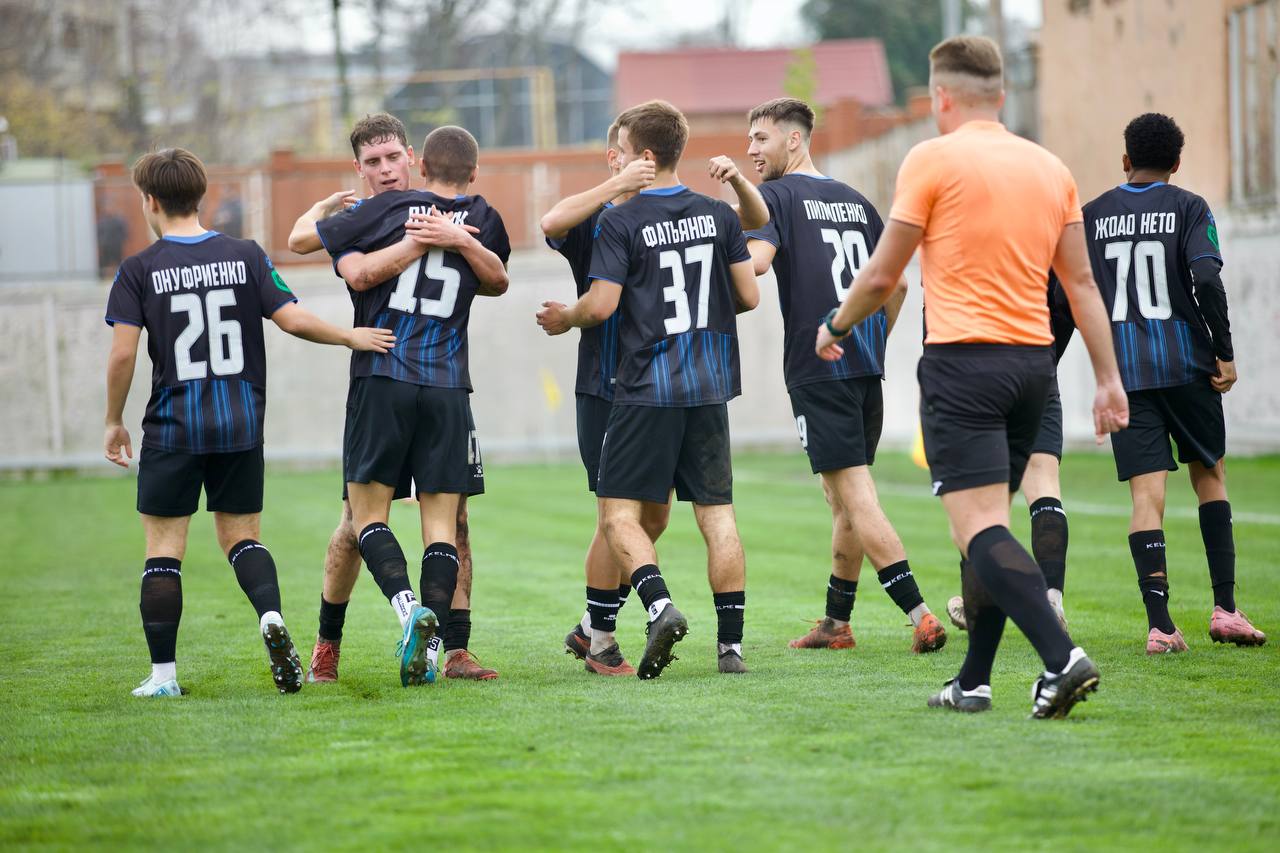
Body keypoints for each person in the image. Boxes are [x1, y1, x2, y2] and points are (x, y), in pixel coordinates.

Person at [815, 36, 1129, 718]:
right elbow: (1081, 284)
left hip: (964, 366)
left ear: (941, 96)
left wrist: (835, 325)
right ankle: (975, 681)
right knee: (986, 528)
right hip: (1034, 368)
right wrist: (1108, 379)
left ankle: (1062, 659)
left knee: (979, 530)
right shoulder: (1050, 167)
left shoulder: (931, 158)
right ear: (1001, 95)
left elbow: (882, 274)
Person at [103, 148, 394, 697]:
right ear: (201, 196)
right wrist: (350, 336)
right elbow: (293, 320)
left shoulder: (138, 269)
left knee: (164, 549)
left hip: (174, 426)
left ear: (151, 201)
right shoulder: (245, 255)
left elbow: (122, 355)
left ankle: (163, 677)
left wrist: (113, 419)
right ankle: (271, 618)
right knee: (242, 538)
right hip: (239, 421)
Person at [537, 100, 761, 677]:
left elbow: (601, 304)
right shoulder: (603, 217)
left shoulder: (635, 221)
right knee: (623, 515)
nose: (615, 161)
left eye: (622, 152)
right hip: (617, 387)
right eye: (611, 157)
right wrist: (616, 185)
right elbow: (551, 222)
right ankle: (603, 637)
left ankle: (615, 619)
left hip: (648, 385)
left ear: (643, 155)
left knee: (640, 517)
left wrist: (567, 317)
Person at [287, 114, 496, 682]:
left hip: (411, 382)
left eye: (392, 158)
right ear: (358, 169)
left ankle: (452, 649)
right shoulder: (369, 215)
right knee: (354, 525)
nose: (384, 170)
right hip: (407, 380)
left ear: (413, 159)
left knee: (451, 521)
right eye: (372, 162)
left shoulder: (420, 214)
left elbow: (305, 243)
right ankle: (329, 643)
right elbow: (352, 270)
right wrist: (425, 239)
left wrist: (445, 237)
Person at [744, 96, 947, 655]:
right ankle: (836, 623)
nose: (751, 150)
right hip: (863, 366)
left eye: (760, 138)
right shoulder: (857, 203)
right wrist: (874, 340)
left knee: (855, 496)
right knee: (842, 498)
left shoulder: (775, 196)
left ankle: (921, 615)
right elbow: (897, 284)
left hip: (818, 366)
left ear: (794, 139)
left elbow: (756, 264)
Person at [1082, 112, 1265, 653]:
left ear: (1125, 160)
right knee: (1210, 476)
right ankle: (1225, 610)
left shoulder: (1091, 216)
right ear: (1177, 163)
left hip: (1127, 375)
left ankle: (1160, 627)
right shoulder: (1190, 206)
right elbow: (1206, 276)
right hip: (1187, 366)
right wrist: (1224, 352)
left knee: (1147, 496)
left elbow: (1071, 294)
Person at [947, 273, 1074, 631]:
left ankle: (976, 604)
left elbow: (940, 306)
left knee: (977, 497)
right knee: (1044, 484)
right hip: (1035, 359)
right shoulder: (1038, 234)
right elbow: (1066, 296)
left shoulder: (955, 238)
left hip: (977, 367)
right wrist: (1050, 355)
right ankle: (1052, 599)